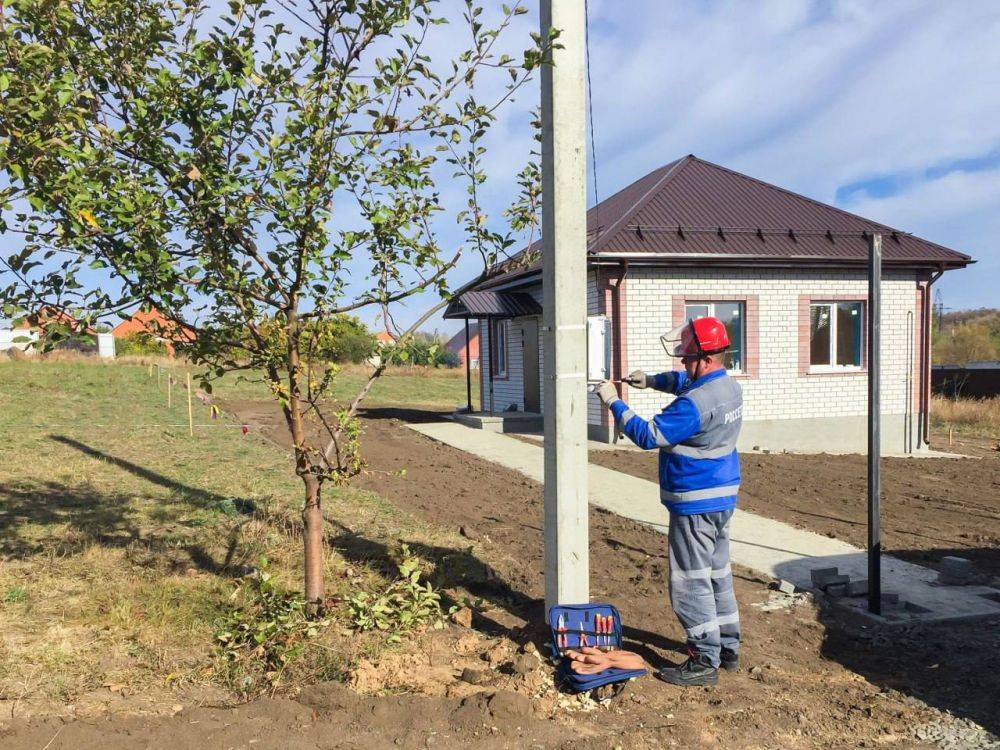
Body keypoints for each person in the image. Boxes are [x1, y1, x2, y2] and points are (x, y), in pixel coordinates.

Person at [595, 317, 743, 687]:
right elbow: (685, 383)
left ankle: (704, 658)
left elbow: (649, 435)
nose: (682, 365)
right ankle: (728, 647)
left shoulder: (694, 406)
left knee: (690, 581)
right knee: (717, 574)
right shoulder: (727, 386)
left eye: (687, 358)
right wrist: (652, 381)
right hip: (722, 496)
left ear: (706, 358)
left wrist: (614, 403)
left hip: (694, 501)